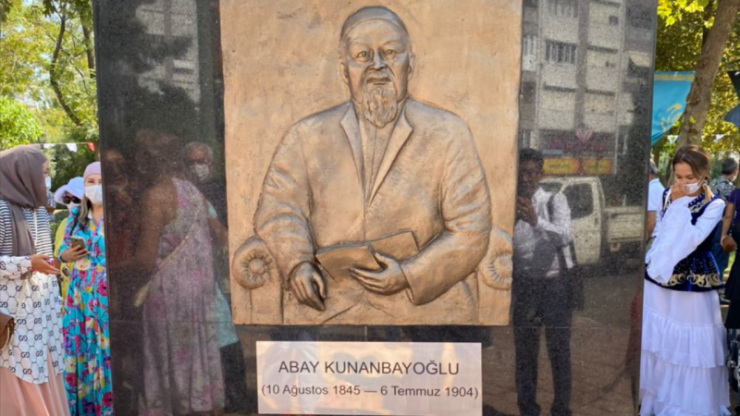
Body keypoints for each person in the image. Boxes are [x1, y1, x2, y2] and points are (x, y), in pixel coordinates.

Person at [254, 6, 492, 325]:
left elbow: (472, 228)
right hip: (329, 304)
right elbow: (278, 208)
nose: (377, 65)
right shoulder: (306, 135)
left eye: (390, 52)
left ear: (411, 64)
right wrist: (297, 262)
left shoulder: (448, 132)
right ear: (344, 70)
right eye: (363, 55)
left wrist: (408, 274)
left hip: (422, 310)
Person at [133, 129, 224, 415]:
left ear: (149, 161)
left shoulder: (154, 196)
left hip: (168, 294)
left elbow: (145, 259)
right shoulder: (193, 192)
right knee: (197, 359)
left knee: (170, 362)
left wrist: (111, 265)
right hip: (199, 292)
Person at [640, 145, 729, 416]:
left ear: (703, 175)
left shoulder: (715, 204)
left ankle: (687, 407)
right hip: (660, 277)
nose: (683, 183)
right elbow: (662, 234)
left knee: (690, 346)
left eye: (689, 177)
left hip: (693, 282)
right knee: (661, 342)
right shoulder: (666, 195)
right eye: (678, 177)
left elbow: (692, 240)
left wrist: (679, 205)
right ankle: (657, 400)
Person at [0, 145, 68, 416]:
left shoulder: (40, 209)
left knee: (46, 373)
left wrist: (57, 261)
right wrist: (28, 263)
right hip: (15, 320)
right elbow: (29, 260)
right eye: (43, 173)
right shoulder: (2, 209)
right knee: (20, 384)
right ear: (22, 173)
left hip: (44, 316)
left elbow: (42, 256)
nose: (46, 179)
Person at [512, 148, 574, 416]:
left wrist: (537, 221)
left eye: (530, 173)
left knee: (558, 351)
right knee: (525, 354)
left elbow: (565, 236)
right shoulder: (509, 205)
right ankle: (528, 410)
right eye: (520, 173)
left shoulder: (554, 200)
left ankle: (560, 410)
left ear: (540, 174)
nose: (525, 179)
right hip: (525, 287)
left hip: (554, 287)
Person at [57, 162, 113, 415]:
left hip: (108, 294)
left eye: (100, 181)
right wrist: (66, 255)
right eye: (90, 181)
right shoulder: (75, 217)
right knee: (79, 350)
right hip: (79, 295)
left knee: (107, 351)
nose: (95, 186)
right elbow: (61, 252)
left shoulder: (119, 214)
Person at [52, 177, 84, 302]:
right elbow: (57, 255)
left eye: (76, 199)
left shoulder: (94, 226)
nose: (71, 203)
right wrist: (56, 279)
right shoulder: (64, 223)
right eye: (67, 199)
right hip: (66, 289)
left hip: (86, 289)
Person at [711, 157, 738, 279]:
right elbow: (729, 213)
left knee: (710, 257)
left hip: (709, 225)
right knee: (720, 261)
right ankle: (715, 285)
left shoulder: (712, 183)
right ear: (735, 171)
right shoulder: (730, 188)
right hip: (722, 226)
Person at [646, 159, 664, 240]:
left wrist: (644, 240)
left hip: (654, 236)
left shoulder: (650, 189)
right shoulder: (658, 186)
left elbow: (651, 221)